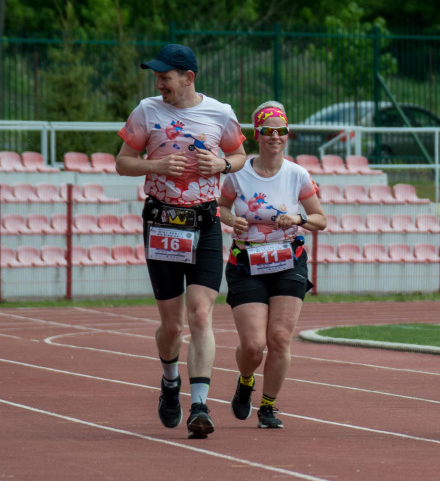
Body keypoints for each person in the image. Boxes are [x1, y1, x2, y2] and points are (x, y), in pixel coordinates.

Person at [116, 43, 248, 438]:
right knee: (172, 325)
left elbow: (241, 155)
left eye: (166, 77)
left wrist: (223, 164)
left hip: (205, 222)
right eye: (157, 77)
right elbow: (122, 161)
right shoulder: (147, 110)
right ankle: (170, 382)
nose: (160, 83)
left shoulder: (220, 113)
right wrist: (155, 164)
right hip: (162, 222)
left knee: (202, 313)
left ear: (189, 78)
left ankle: (201, 405)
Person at [217, 101, 326, 429]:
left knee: (279, 339)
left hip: (287, 262)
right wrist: (231, 220)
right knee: (253, 346)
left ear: (287, 134)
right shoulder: (239, 174)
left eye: (282, 131)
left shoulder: (298, 175)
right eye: (268, 131)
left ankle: (268, 407)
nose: (275, 137)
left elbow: (320, 219)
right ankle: (246, 380)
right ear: (257, 134)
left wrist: (298, 218)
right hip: (247, 262)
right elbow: (220, 208)